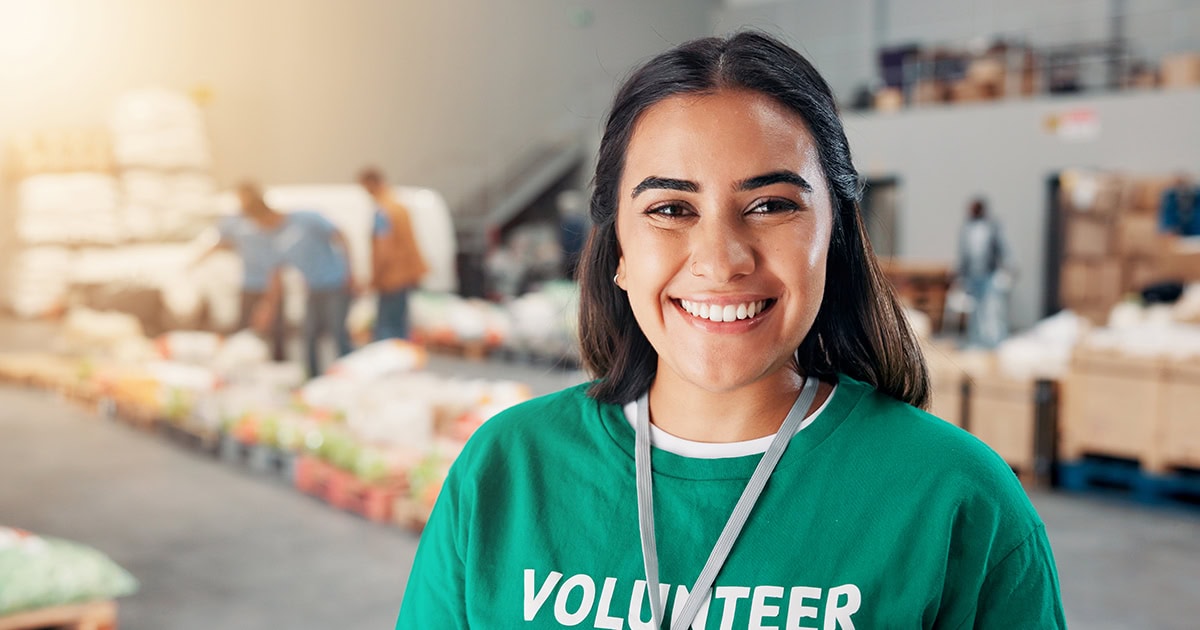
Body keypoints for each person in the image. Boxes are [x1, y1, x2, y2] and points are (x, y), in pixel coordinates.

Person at [397, 31, 1064, 629]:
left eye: (770, 205)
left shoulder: (956, 499)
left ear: (835, 236)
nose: (720, 261)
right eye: (670, 209)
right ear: (618, 250)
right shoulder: (506, 472)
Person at [236, 183, 357, 378]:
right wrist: (267, 309)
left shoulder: (306, 219)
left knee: (337, 333)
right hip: (313, 288)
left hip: (335, 284)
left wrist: (350, 272)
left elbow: (340, 235)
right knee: (308, 336)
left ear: (265, 215)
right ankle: (312, 379)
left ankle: (352, 376)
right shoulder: (270, 238)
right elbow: (275, 275)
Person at [193, 182, 285, 360]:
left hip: (271, 282)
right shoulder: (235, 221)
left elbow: (278, 261)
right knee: (244, 329)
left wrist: (270, 301)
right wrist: (199, 259)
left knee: (275, 331)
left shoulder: (269, 219)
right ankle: (243, 363)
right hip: (249, 283)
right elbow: (224, 242)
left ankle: (277, 365)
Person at [359, 168, 427, 341]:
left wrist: (375, 278)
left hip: (390, 278)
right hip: (405, 275)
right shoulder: (399, 207)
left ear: (371, 185)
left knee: (386, 327)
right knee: (400, 324)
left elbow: (383, 249)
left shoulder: (383, 212)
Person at [956, 197, 1013, 348]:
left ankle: (995, 341)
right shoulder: (967, 229)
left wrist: (1008, 266)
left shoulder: (991, 227)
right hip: (972, 276)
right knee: (975, 310)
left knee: (992, 309)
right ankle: (976, 341)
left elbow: (1002, 248)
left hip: (989, 274)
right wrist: (960, 274)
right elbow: (963, 253)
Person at [1160, 173, 1200, 237]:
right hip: (1177, 236)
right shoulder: (1170, 198)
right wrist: (1169, 230)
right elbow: (1166, 222)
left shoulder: (1197, 197)